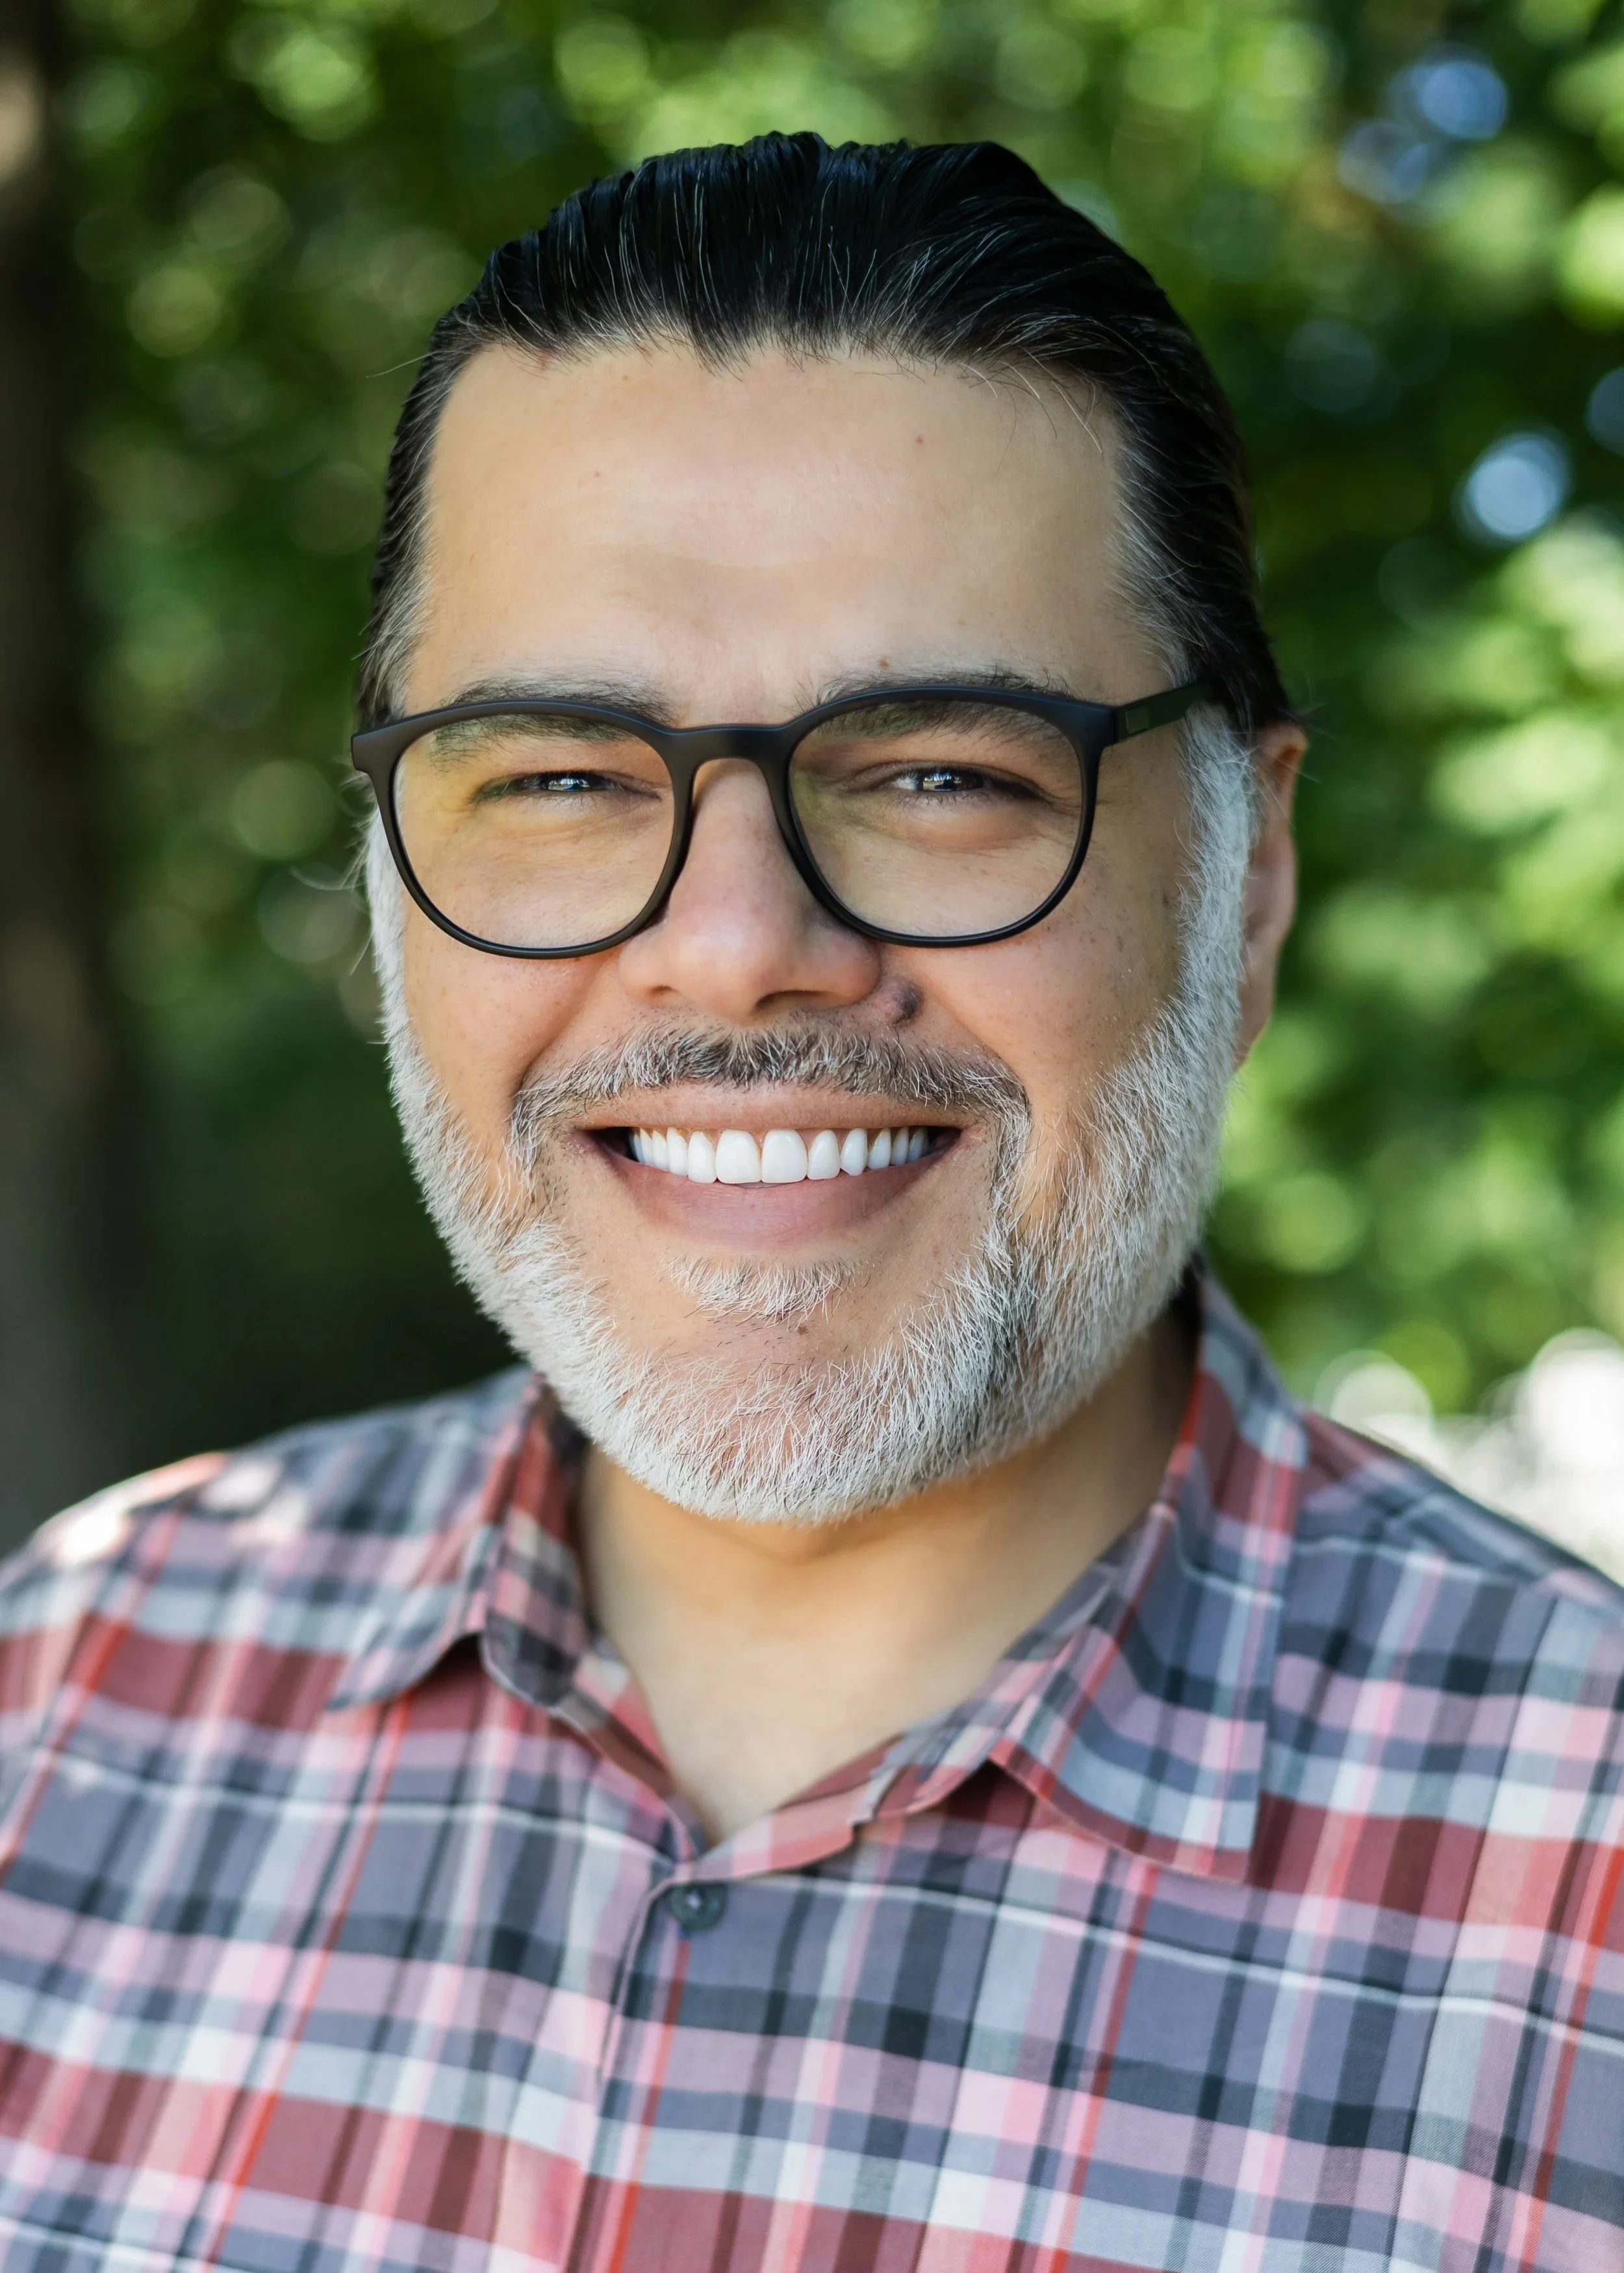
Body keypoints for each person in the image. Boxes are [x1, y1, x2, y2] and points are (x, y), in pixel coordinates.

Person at [0, 134, 1618, 2273]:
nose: (735, 941)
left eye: (942, 773)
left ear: (1248, 885)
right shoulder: (59, 1698)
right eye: (562, 780)